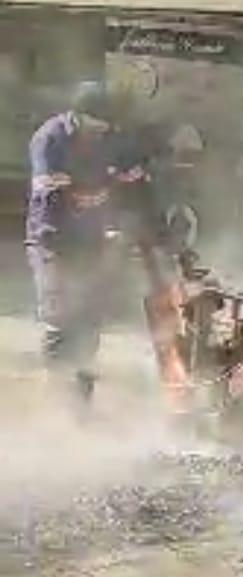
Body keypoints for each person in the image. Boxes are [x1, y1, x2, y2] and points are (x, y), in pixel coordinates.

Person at [26, 80, 144, 407]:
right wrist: (102, 191)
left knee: (90, 322)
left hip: (91, 241)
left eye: (105, 126)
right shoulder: (50, 139)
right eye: (96, 124)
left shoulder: (107, 138)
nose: (101, 131)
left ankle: (80, 404)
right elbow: (60, 195)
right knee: (60, 319)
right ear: (78, 115)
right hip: (52, 242)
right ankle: (52, 403)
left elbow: (128, 178)